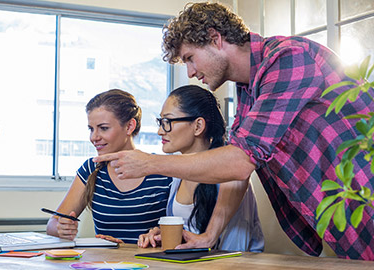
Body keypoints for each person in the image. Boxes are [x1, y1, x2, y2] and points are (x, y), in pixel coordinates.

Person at [93, 2, 374, 260]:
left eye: (190, 58)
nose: (190, 72)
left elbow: (240, 162)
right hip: (346, 208)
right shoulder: (248, 91)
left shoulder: (289, 59)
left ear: (215, 39)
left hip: (365, 195)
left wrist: (150, 163)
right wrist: (208, 237)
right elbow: (239, 171)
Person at [137, 85, 264, 252]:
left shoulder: (231, 174)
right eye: (160, 122)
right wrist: (164, 235)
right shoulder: (178, 177)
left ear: (198, 126)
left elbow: (236, 248)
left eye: (168, 122)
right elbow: (191, 236)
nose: (160, 131)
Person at [46, 89, 172, 244]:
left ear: (129, 126)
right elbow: (52, 224)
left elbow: (182, 231)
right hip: (105, 263)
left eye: (103, 128)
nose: (94, 137)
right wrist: (60, 228)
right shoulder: (91, 169)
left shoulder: (162, 169)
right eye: (91, 129)